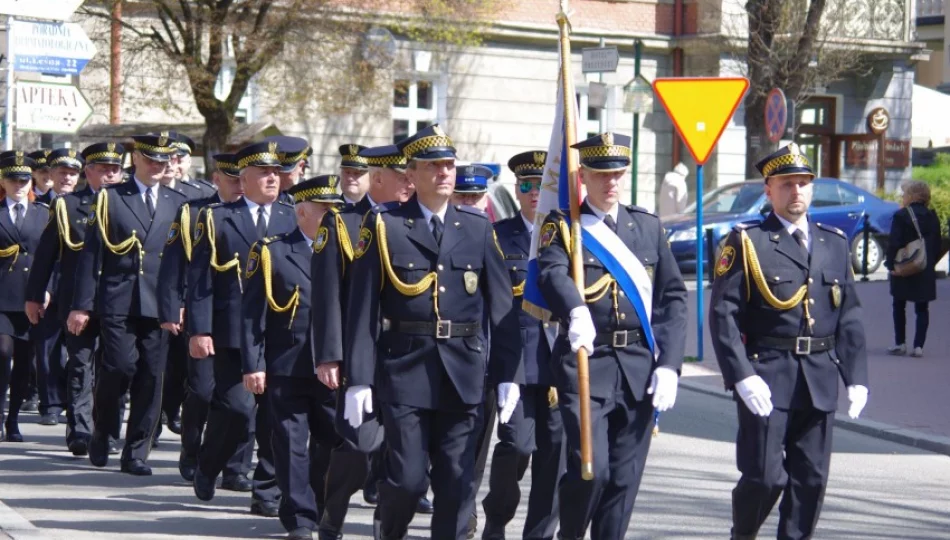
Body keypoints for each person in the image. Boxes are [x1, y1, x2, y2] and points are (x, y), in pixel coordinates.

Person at [342, 124, 523, 540]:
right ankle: (391, 530)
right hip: (405, 369)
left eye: (449, 165)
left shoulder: (477, 227)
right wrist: (359, 379)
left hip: (463, 371)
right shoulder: (385, 226)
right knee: (406, 482)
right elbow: (363, 307)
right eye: (434, 166)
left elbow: (503, 308)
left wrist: (510, 375)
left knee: (457, 483)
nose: (445, 173)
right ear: (412, 175)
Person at [709, 143, 870, 540]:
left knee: (811, 482)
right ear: (769, 190)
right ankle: (742, 534)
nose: (796, 191)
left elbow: (848, 313)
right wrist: (741, 376)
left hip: (818, 377)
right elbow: (722, 315)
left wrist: (857, 377)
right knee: (765, 477)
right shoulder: (748, 241)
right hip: (767, 374)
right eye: (787, 184)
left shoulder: (833, 241)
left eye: (803, 183)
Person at [537, 132, 687, 539]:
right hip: (588, 363)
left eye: (618, 173)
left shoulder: (647, 227)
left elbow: (672, 298)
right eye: (601, 174)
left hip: (639, 367)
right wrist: (576, 308)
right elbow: (551, 271)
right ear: (583, 175)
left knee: (623, 481)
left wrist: (671, 364)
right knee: (592, 470)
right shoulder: (565, 226)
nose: (611, 183)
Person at [311, 143, 429, 540]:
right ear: (377, 178)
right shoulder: (341, 224)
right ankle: (334, 510)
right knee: (360, 442)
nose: (410, 183)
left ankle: (385, 521)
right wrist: (330, 354)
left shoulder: (413, 223)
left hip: (406, 352)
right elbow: (327, 296)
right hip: (359, 351)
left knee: (398, 445)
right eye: (403, 176)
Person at [67, 133, 189, 475]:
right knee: (119, 368)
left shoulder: (178, 202)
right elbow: (92, 256)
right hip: (119, 297)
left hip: (160, 303)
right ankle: (103, 431)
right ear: (136, 160)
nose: (158, 166)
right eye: (151, 160)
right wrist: (82, 305)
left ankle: (136, 451)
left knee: (152, 377)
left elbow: (183, 261)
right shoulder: (111, 198)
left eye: (164, 162)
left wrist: (179, 301)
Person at [188, 140, 296, 515]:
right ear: (244, 178)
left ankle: (265, 492)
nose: (271, 178)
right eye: (263, 173)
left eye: (275, 173)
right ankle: (209, 462)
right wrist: (199, 330)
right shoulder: (217, 217)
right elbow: (200, 280)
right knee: (236, 408)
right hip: (233, 332)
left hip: (281, 331)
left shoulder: (292, 217)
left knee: (274, 415)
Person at [243, 174, 343, 540]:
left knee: (333, 443)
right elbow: (252, 315)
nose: (334, 217)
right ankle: (301, 517)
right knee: (288, 444)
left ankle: (313, 502)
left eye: (337, 210)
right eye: (326, 210)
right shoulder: (271, 251)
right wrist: (253, 364)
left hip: (333, 366)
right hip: (287, 364)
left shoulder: (348, 252)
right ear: (302, 212)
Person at [480, 151, 563, 540]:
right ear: (518, 189)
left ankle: (540, 534)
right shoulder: (498, 236)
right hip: (518, 361)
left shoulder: (572, 237)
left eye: (542, 186)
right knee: (516, 445)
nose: (535, 194)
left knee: (555, 456)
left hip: (561, 362)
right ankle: (497, 517)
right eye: (527, 186)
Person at [157, 153, 251, 488]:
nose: (240, 186)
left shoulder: (263, 216)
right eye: (233, 179)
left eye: (245, 179)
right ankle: (192, 449)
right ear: (217, 178)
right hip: (202, 316)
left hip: (247, 323)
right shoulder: (195, 213)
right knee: (202, 390)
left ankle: (236, 467)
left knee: (244, 399)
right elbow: (175, 265)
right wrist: (172, 308)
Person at [25, 142, 126, 455]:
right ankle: (81, 430)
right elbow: (46, 255)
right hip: (74, 300)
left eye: (116, 169)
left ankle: (107, 428)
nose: (110, 175)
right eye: (104, 169)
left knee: (114, 368)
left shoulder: (129, 205)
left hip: (117, 303)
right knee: (80, 366)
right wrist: (33, 295)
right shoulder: (68, 206)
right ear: (89, 172)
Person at [449, 163, 500, 538]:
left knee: (473, 452)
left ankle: (463, 518)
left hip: (484, 365)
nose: (468, 203)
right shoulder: (441, 237)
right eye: (461, 196)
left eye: (475, 197)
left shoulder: (495, 238)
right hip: (442, 361)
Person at [26, 148, 83, 427]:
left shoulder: (87, 203)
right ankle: (50, 403)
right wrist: (41, 289)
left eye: (73, 173)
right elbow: (41, 252)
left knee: (78, 351)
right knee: (47, 347)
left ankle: (75, 401)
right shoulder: (37, 204)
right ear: (50, 174)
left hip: (76, 284)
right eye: (62, 172)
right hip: (47, 282)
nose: (67, 178)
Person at [0, 154, 50, 443]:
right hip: (2, 295)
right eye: (13, 180)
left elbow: (54, 257)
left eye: (24, 180)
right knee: (2, 352)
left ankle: (13, 419)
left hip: (31, 296)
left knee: (23, 361)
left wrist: (48, 289)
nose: (19, 185)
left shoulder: (43, 213)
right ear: (3, 182)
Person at [885, 180, 940, 357]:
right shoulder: (933, 216)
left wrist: (890, 264)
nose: (903, 196)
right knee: (922, 308)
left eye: (905, 193)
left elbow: (894, 243)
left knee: (899, 304)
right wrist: (929, 261)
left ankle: (900, 343)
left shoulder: (902, 216)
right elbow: (937, 245)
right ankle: (919, 346)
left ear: (911, 195)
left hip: (904, 267)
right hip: (924, 267)